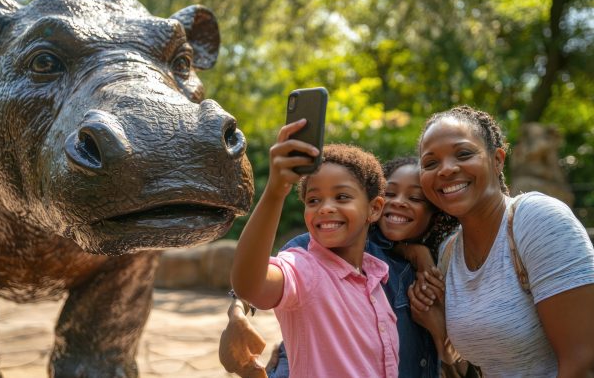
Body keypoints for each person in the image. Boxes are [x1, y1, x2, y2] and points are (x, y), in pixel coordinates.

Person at [221, 154, 458, 378]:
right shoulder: (314, 257)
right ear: (379, 204)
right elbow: (260, 280)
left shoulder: (377, 273)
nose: (397, 203)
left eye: (415, 198)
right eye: (313, 200)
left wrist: (438, 328)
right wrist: (238, 310)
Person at [408, 105, 594, 377]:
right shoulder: (450, 251)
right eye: (431, 163)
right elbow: (475, 363)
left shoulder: (536, 219)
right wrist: (439, 328)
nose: (446, 170)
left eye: (463, 154)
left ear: (497, 160)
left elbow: (583, 362)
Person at [230, 119, 398, 377]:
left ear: (374, 208)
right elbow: (249, 285)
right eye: (314, 200)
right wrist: (275, 192)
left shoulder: (377, 279)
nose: (325, 207)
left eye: (342, 197)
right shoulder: (304, 270)